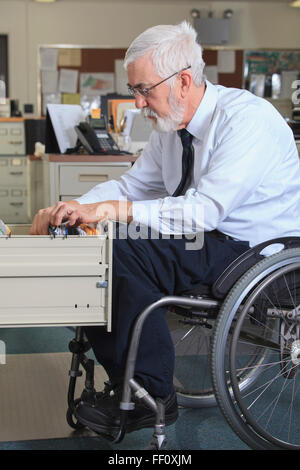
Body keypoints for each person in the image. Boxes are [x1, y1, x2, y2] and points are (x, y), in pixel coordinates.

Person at [30, 21, 300, 437]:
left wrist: (114, 210)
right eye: (134, 90)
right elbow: (131, 186)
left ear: (184, 81)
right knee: (99, 241)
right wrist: (75, 209)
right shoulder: (171, 128)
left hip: (252, 249)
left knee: (121, 248)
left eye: (143, 90)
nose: (138, 103)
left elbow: (205, 212)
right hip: (210, 239)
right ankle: (129, 382)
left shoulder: (248, 121)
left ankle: (149, 393)